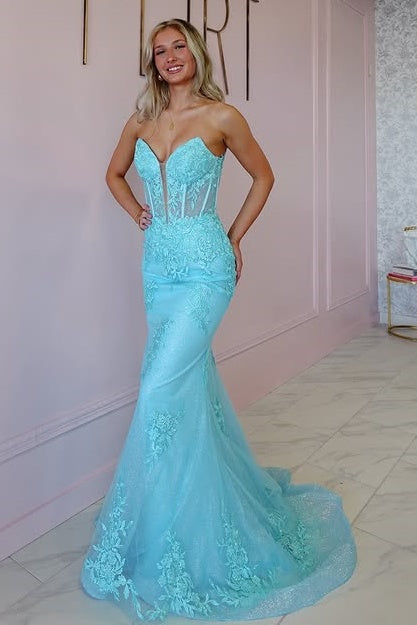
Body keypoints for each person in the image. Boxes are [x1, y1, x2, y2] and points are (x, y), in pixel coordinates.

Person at [80, 18, 356, 622]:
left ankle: (187, 528)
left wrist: (233, 237)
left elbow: (264, 175)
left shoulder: (222, 116)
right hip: (158, 271)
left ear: (197, 53)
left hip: (207, 268)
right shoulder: (141, 121)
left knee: (158, 390)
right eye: (160, 51)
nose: (170, 57)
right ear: (152, 64)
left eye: (179, 46)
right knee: (186, 391)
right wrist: (137, 212)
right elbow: (113, 173)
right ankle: (179, 519)